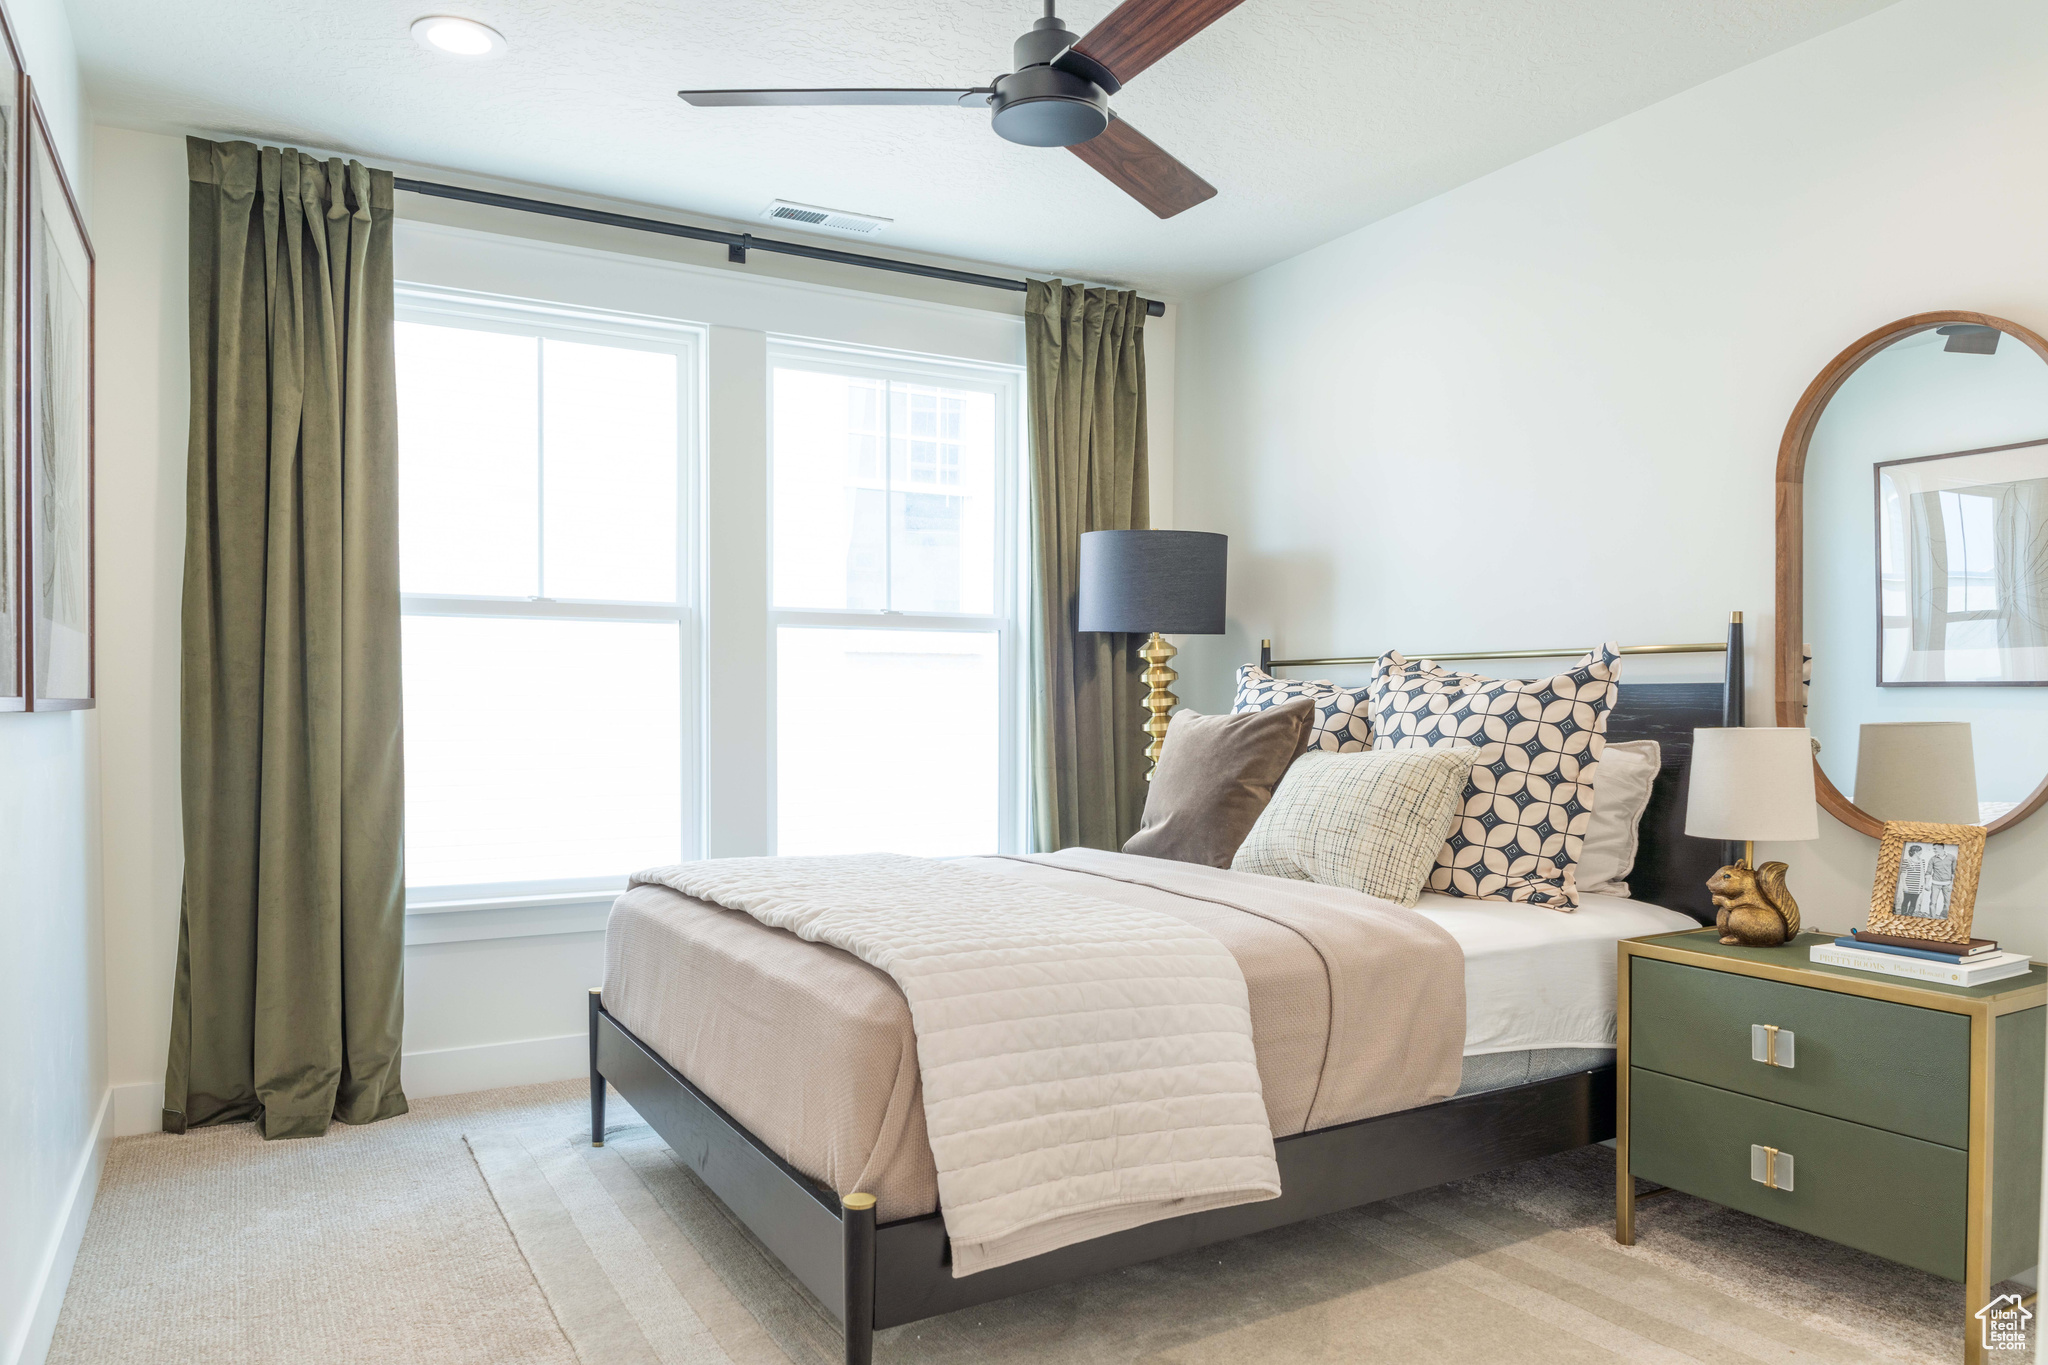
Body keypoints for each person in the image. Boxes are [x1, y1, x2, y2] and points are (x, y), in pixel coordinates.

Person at [1925, 843, 1958, 918]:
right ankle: (1932, 918)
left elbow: (1954, 872)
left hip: (1947, 884)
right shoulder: (1932, 859)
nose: (1934, 851)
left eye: (1935, 849)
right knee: (1933, 902)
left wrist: (1951, 884)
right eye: (1933, 849)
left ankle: (1942, 917)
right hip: (1935, 884)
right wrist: (1926, 884)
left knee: (1947, 903)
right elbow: (1928, 872)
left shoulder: (1952, 857)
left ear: (1941, 848)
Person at [1896, 844, 1928, 916]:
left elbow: (1923, 873)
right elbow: (1903, 874)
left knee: (1914, 902)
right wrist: (1904, 886)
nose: (1921, 852)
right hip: (1908, 885)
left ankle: (1909, 915)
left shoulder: (1922, 861)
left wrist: (1922, 884)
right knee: (1905, 901)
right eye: (1920, 851)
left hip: (1917, 886)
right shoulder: (1906, 861)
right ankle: (1903, 915)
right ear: (1915, 852)